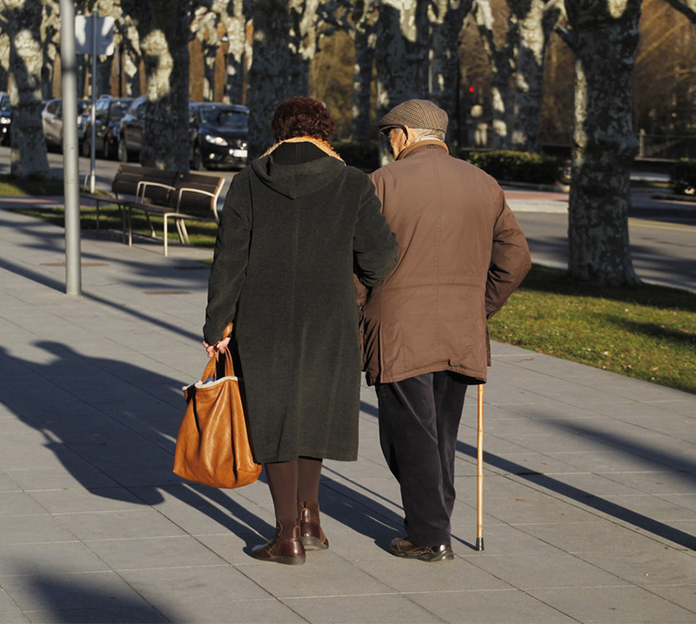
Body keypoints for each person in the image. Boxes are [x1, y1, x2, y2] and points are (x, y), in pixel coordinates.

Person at [203, 97, 398, 565]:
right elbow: (381, 259)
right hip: (330, 317)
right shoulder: (352, 183)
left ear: (278, 131)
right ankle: (309, 519)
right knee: (315, 413)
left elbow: (229, 259)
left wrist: (216, 323)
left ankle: (287, 533)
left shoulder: (249, 181)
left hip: (262, 318)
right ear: (324, 132)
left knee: (274, 420)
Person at [360, 99, 531, 562]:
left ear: (408, 134)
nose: (388, 144)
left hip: (397, 330)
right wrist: (481, 306)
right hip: (460, 328)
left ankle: (430, 534)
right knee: (441, 432)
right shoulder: (483, 183)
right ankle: (433, 519)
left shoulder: (380, 184)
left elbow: (356, 260)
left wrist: (355, 310)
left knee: (406, 435)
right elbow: (516, 258)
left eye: (389, 134)